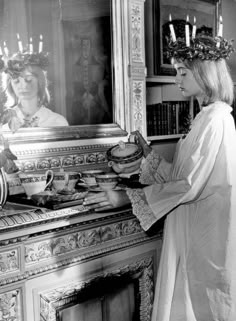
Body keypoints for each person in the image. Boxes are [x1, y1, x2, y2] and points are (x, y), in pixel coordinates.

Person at [83, 31, 236, 320]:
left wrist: (127, 197)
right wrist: (147, 157)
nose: (177, 80)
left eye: (182, 73)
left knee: (201, 306)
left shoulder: (216, 120)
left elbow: (188, 185)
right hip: (191, 226)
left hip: (204, 233)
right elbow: (183, 175)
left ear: (204, 74)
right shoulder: (206, 117)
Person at [1, 51, 68, 131]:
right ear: (10, 85)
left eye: (28, 80)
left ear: (40, 82)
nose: (23, 86)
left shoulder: (57, 122)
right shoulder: (3, 123)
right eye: (16, 81)